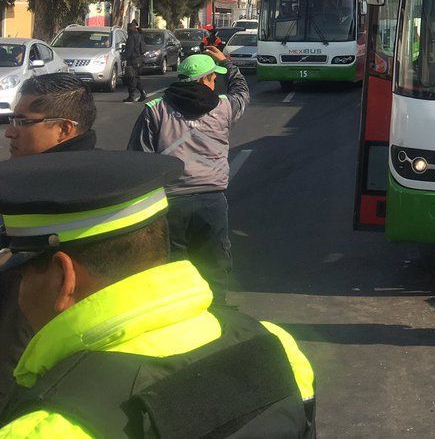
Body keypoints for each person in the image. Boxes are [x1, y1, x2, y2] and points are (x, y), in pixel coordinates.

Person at [0, 150, 314, 436]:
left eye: (20, 275)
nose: (17, 291)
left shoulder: (44, 428)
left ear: (63, 278)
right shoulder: (277, 346)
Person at [0, 74, 98, 412]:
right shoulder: (39, 177)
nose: (10, 131)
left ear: (65, 129)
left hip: (28, 338)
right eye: (12, 120)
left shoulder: (64, 192)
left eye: (23, 122)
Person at [127, 46, 248, 303]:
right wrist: (228, 63)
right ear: (204, 79)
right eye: (214, 78)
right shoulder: (224, 108)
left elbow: (139, 159)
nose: (215, 83)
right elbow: (242, 92)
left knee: (172, 266)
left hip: (169, 203)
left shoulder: (155, 109)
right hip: (211, 202)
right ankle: (216, 314)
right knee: (213, 264)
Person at [122, 20, 146, 103]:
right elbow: (141, 32)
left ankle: (131, 96)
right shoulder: (140, 35)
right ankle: (143, 94)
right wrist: (138, 27)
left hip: (133, 60)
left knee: (131, 78)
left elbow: (129, 50)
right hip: (140, 60)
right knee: (136, 77)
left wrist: (123, 58)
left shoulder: (131, 37)